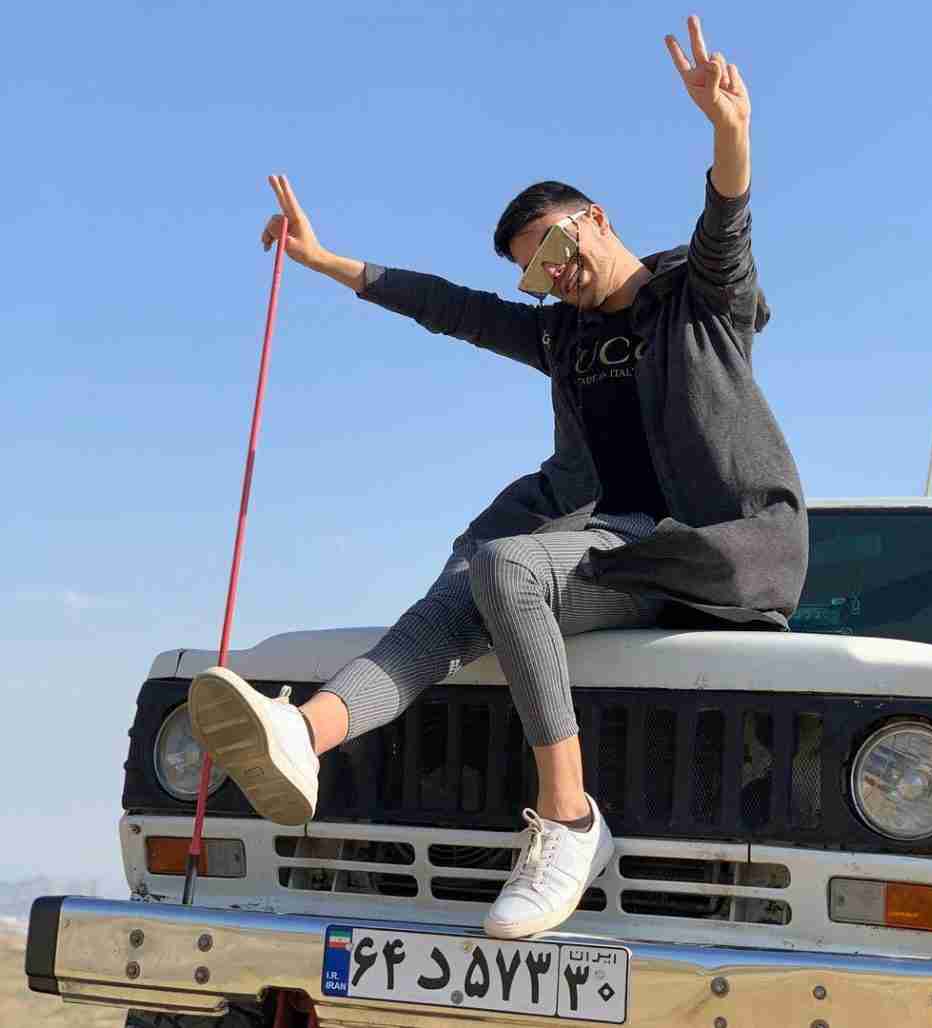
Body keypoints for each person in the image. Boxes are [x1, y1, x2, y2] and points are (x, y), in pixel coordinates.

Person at [188, 14, 807, 941]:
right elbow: (451, 308)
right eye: (535, 275)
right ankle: (304, 734)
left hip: (709, 551)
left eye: (556, 250)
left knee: (507, 564)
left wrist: (731, 130)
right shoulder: (563, 335)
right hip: (614, 553)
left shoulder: (698, 298)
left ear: (596, 219)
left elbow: (727, 219)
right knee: (460, 596)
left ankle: (569, 819)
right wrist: (324, 261)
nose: (554, 277)